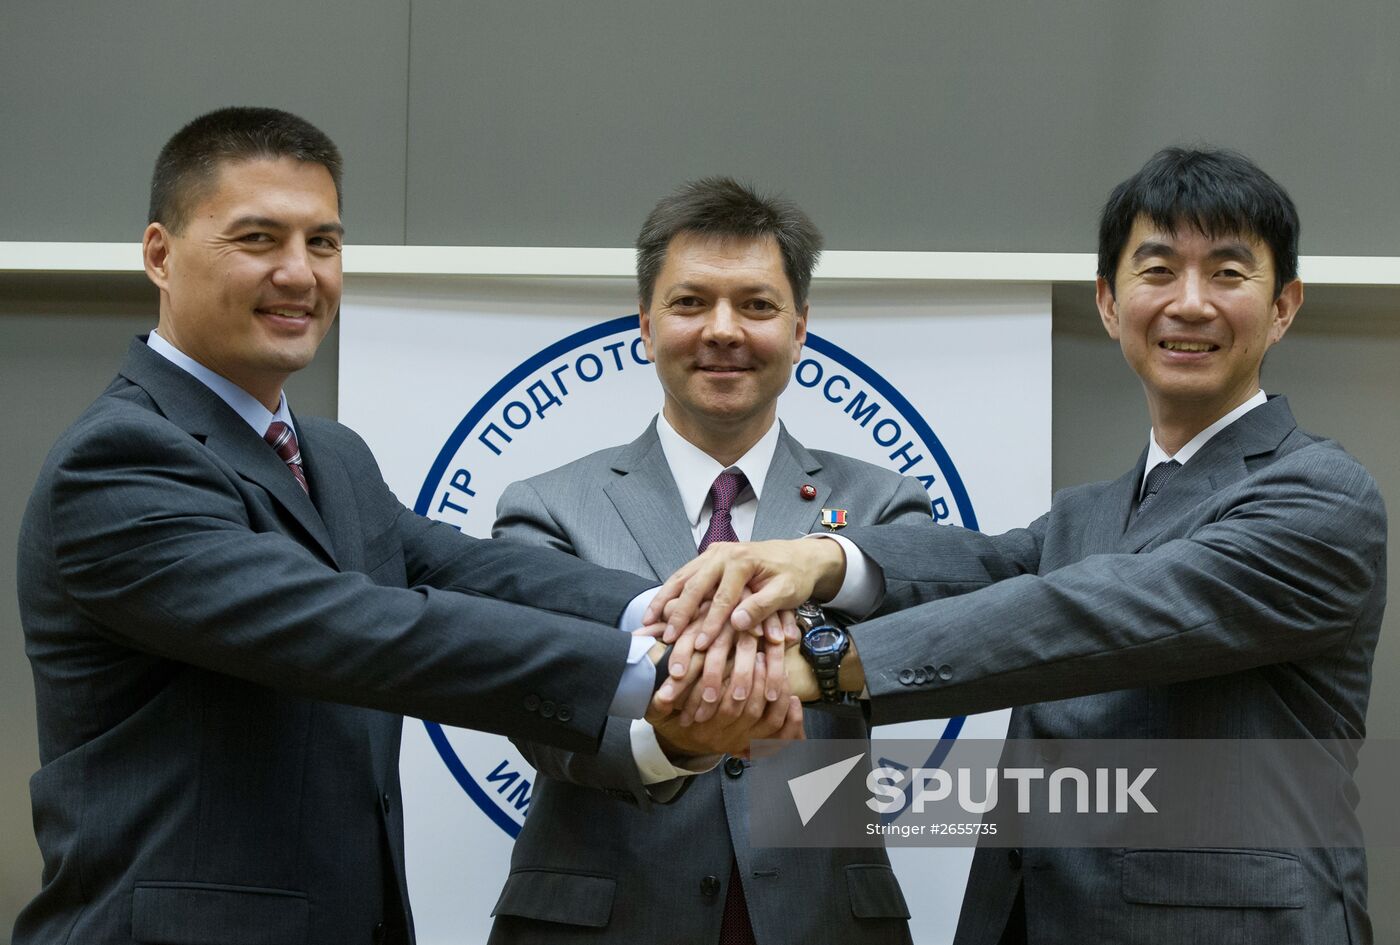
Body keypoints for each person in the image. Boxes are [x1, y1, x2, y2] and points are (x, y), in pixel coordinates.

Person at [12, 107, 737, 945]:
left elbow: (469, 570)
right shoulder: (117, 461)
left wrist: (678, 608)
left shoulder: (331, 454)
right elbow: (359, 631)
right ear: (159, 255)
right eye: (258, 239)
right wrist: (659, 669)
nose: (300, 273)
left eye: (323, 242)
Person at [650, 149, 1387, 943]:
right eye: (1157, 270)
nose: (1190, 302)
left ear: (1283, 306)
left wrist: (814, 669)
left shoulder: (1321, 496)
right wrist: (817, 560)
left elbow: (1087, 615)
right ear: (1109, 302)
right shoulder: (1088, 513)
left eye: (1228, 273)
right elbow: (982, 568)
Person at [487, 178, 930, 944]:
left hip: (824, 919)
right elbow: (539, 708)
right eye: (691, 303)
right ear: (645, 323)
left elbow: (920, 657)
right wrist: (675, 740)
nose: (723, 330)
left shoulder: (884, 505)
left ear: (799, 328)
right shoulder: (548, 507)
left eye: (756, 305)